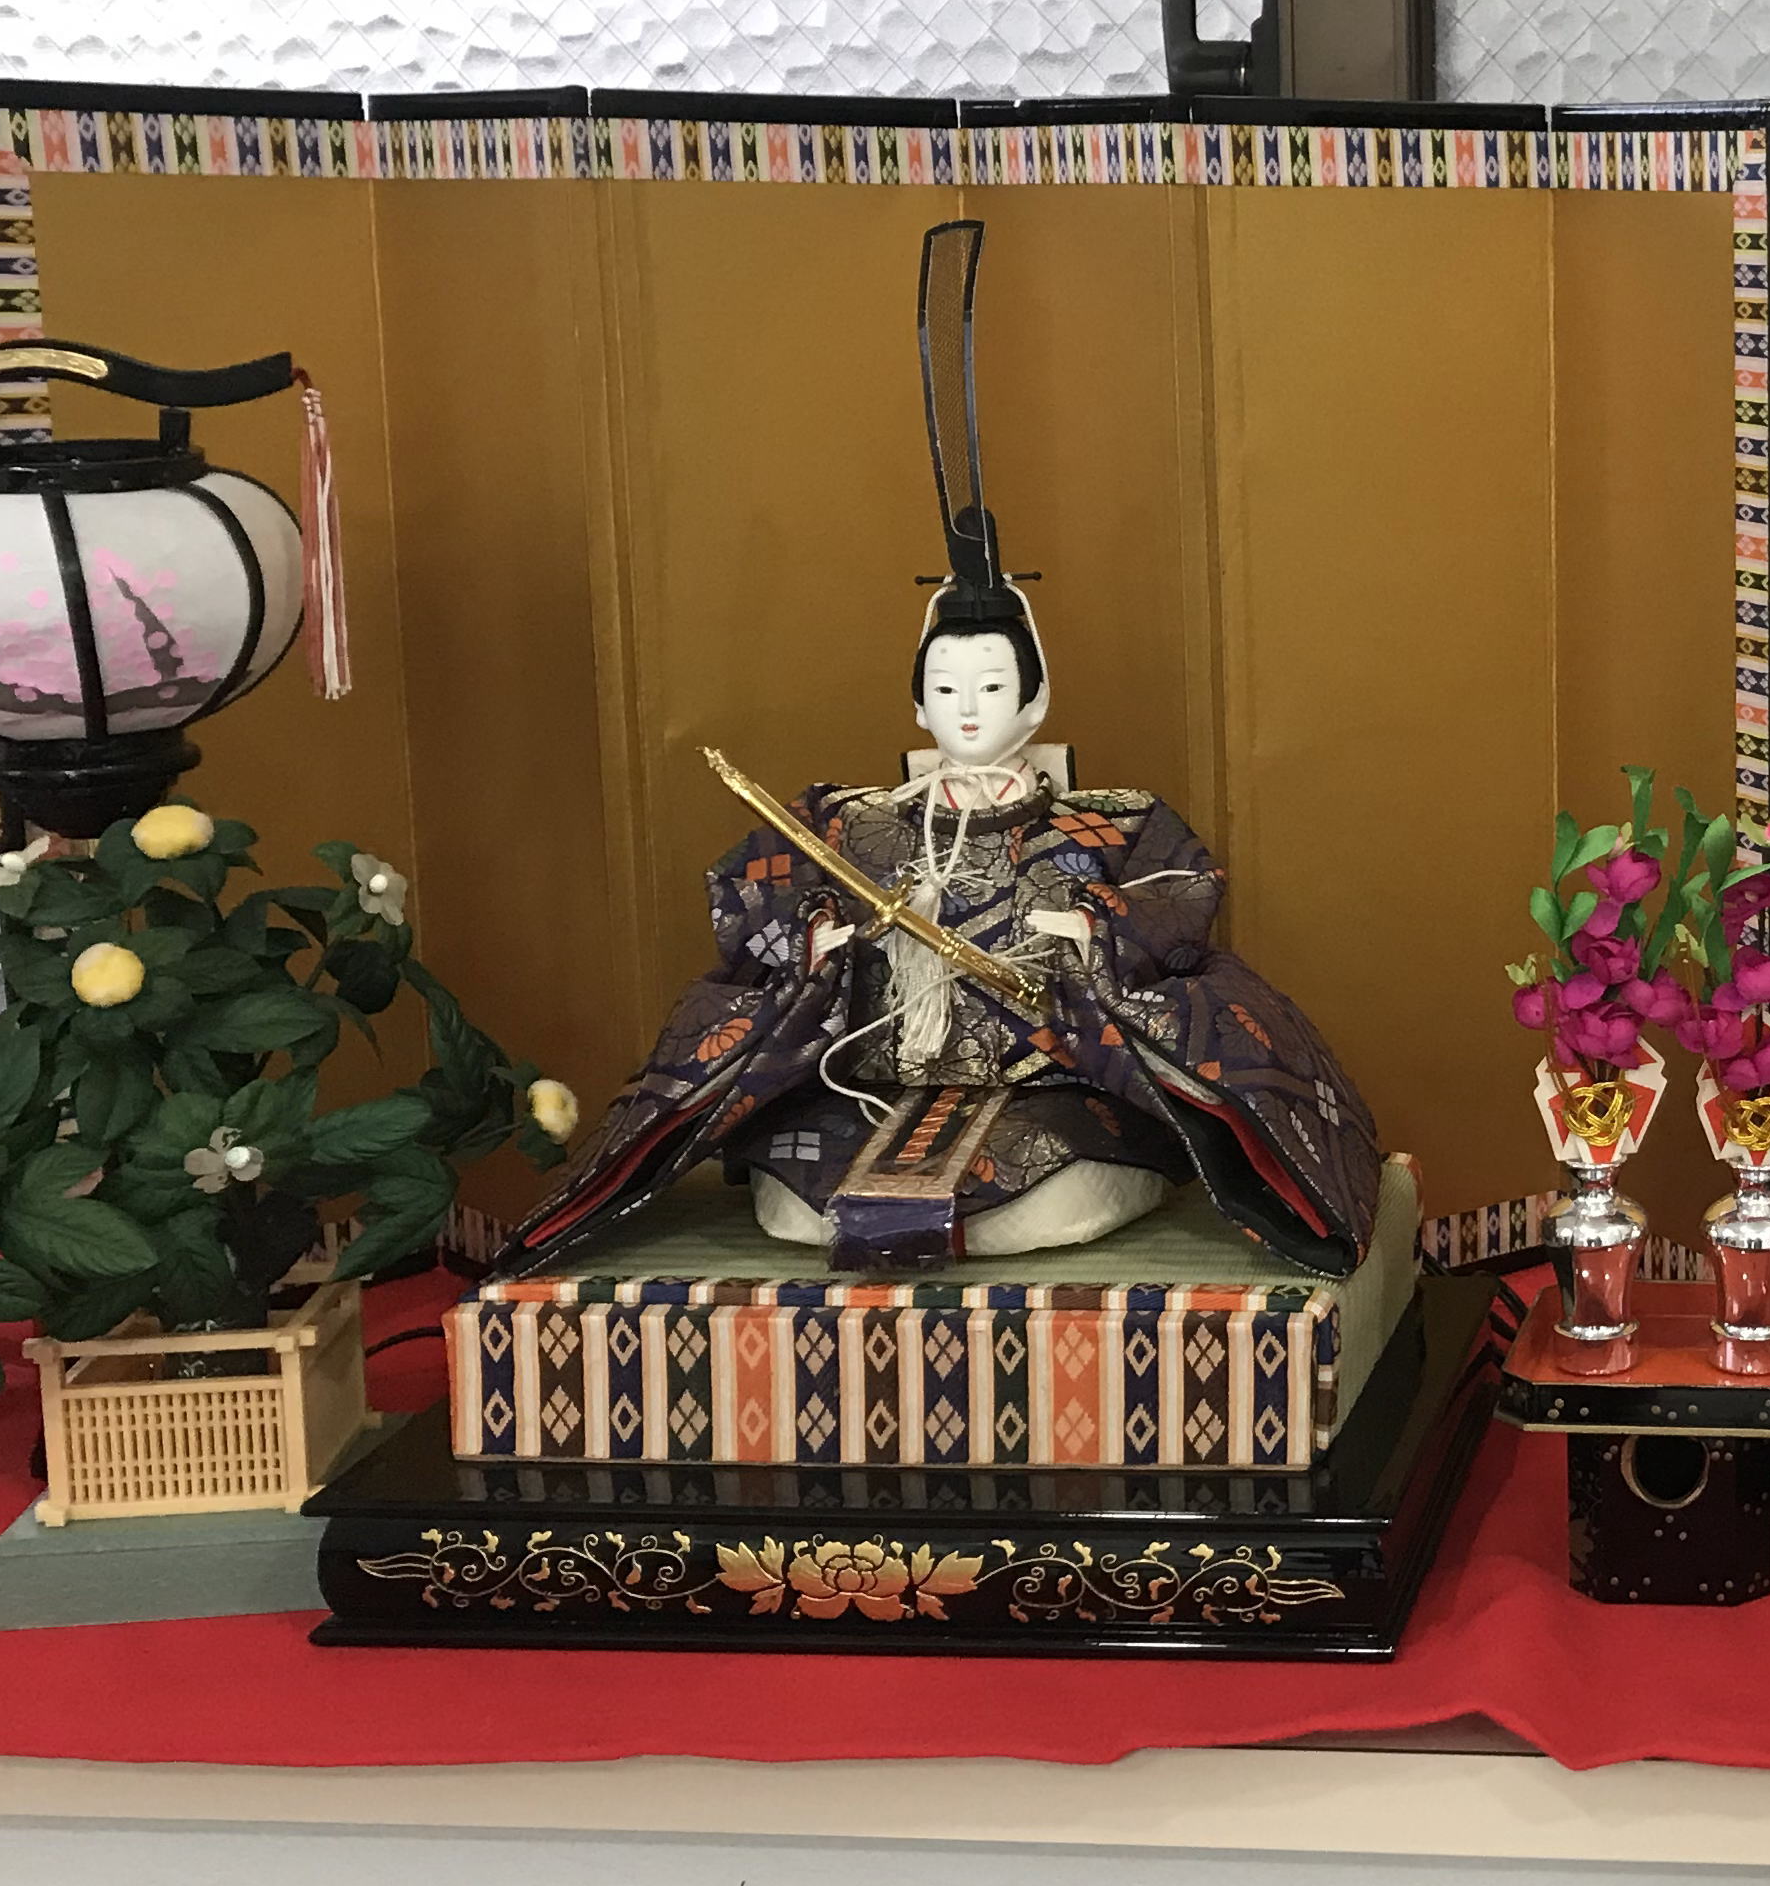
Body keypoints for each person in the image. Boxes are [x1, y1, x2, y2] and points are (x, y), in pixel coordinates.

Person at [501, 223, 1379, 1279]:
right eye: (947, 688)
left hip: (1051, 1097)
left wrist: (1095, 928)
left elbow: (1180, 896)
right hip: (868, 1089)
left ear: (1036, 694)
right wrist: (815, 938)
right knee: (800, 1198)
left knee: (1046, 1194)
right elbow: (746, 899)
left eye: (994, 686)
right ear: (916, 700)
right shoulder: (851, 822)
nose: (968, 709)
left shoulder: (1109, 821)